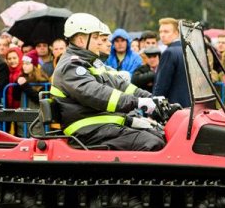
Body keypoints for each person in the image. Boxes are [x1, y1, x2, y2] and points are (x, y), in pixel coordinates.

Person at [51, 12, 165, 151]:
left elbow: (120, 84)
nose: (100, 42)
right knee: (152, 143)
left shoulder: (91, 62)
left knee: (159, 135)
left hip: (100, 125)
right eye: (95, 37)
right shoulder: (71, 66)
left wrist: (151, 99)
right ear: (81, 40)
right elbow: (96, 94)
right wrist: (137, 102)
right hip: (86, 130)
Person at [153, 17, 190, 107]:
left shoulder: (169, 52)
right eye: (160, 31)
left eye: (166, 31)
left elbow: (162, 85)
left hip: (174, 107)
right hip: (188, 105)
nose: (162, 35)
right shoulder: (187, 49)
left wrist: (155, 107)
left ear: (177, 33)